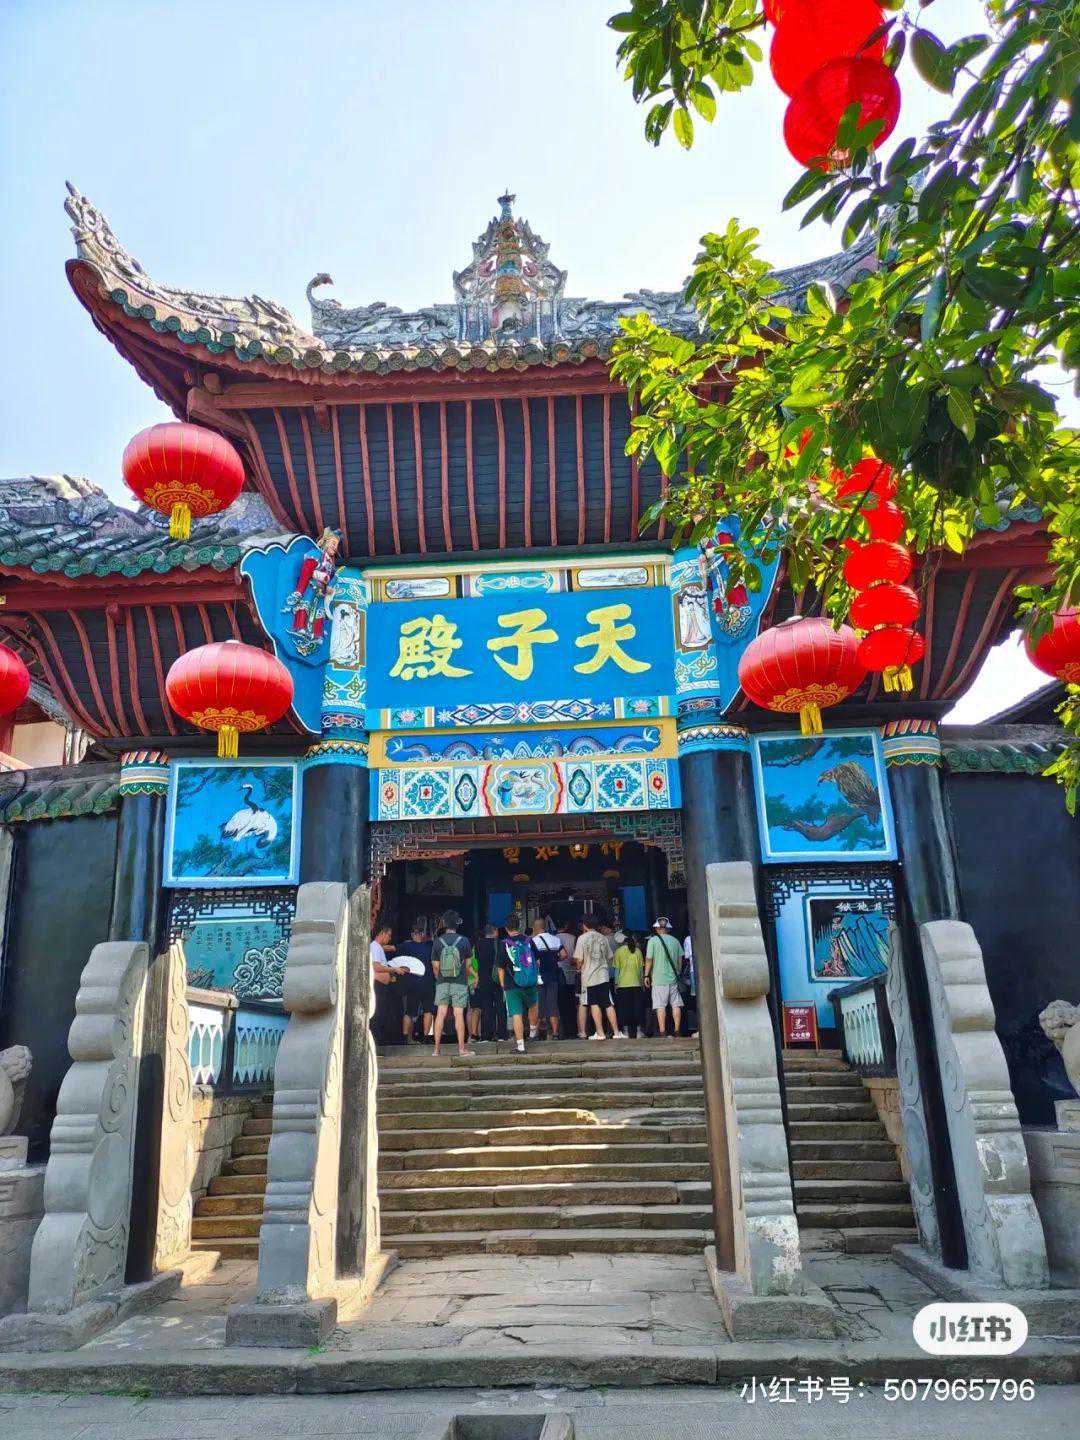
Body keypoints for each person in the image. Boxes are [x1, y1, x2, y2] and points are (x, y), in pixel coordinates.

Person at [574, 916, 625, 1041]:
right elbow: (609, 956)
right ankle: (616, 1032)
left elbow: (579, 959)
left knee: (594, 1004)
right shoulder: (603, 938)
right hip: (603, 975)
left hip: (589, 977)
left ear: (584, 925)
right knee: (608, 1004)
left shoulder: (581, 938)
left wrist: (579, 967)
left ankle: (600, 1033)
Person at [496, 912, 539, 1054]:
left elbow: (500, 968)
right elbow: (537, 960)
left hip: (512, 983)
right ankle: (533, 1033)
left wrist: (503, 984)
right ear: (519, 926)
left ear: (506, 928)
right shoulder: (528, 940)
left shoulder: (504, 943)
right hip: (530, 981)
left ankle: (520, 1046)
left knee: (516, 1014)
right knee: (533, 1006)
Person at [431, 909, 473, 1058]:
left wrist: (440, 978)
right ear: (457, 923)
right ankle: (461, 1049)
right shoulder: (464, 941)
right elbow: (468, 965)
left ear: (444, 923)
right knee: (459, 1014)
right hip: (459, 982)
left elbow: (435, 966)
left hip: (442, 982)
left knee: (440, 1014)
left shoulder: (438, 941)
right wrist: (463, 976)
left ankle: (436, 1050)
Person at [395, 917, 432, 1044]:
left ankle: (405, 1039)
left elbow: (392, 949)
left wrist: (379, 947)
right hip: (427, 983)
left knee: (409, 1012)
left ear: (412, 934)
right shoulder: (429, 946)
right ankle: (426, 1038)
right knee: (428, 1011)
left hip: (412, 984)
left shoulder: (406, 945)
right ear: (422, 934)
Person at [646, 916, 684, 1038]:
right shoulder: (675, 941)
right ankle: (677, 1030)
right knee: (676, 1004)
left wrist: (646, 975)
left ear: (657, 928)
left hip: (658, 979)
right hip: (673, 978)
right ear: (668, 928)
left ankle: (662, 1031)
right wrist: (678, 972)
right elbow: (680, 960)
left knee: (660, 1006)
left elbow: (649, 959)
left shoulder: (652, 941)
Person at [530, 916, 564, 1040]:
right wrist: (555, 960)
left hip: (539, 977)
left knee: (538, 1006)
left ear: (535, 928)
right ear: (545, 927)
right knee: (552, 1006)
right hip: (553, 977)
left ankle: (536, 1034)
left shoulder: (533, 941)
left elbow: (531, 960)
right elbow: (564, 954)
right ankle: (555, 1034)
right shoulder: (555, 939)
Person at [370, 921, 404, 1045]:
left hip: (383, 986)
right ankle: (376, 1040)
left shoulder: (379, 948)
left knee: (384, 1013)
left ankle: (382, 1040)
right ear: (382, 933)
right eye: (388, 935)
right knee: (378, 1014)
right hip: (377, 985)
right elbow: (376, 967)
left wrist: (390, 975)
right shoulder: (374, 946)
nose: (389, 938)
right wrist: (393, 970)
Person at [612, 932, 647, 1039]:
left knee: (624, 1008)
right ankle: (639, 1031)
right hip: (636, 984)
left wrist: (616, 984)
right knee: (637, 1008)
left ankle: (626, 1031)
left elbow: (617, 970)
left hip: (622, 985)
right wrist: (642, 983)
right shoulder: (638, 951)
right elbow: (640, 970)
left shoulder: (618, 951)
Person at [474, 923, 505, 1041]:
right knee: (500, 1006)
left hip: (484, 979)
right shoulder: (500, 943)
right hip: (498, 979)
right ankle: (501, 1034)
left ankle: (486, 1035)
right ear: (495, 931)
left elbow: (477, 960)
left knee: (486, 1007)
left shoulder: (478, 944)